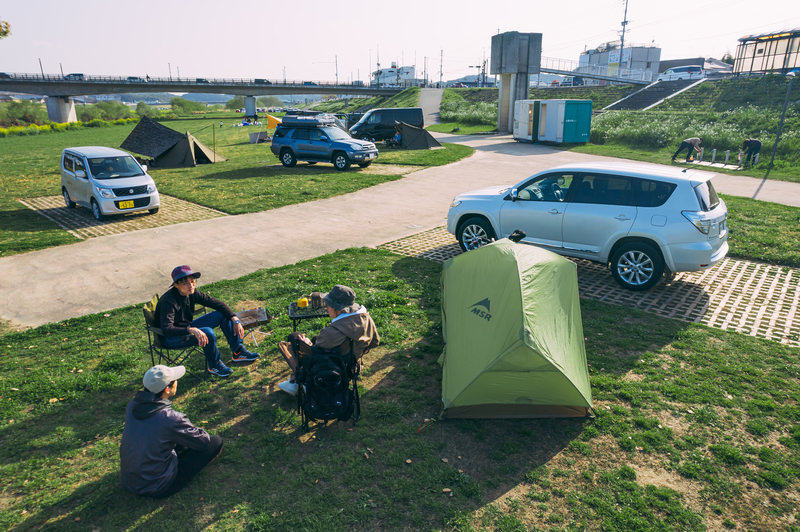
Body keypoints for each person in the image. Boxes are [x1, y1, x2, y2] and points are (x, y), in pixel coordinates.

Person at [119, 364, 223, 497]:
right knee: (215, 441)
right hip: (158, 485)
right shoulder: (170, 419)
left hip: (129, 481)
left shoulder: (132, 405)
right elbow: (203, 442)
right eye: (175, 381)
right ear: (167, 389)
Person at [156, 265, 259, 377]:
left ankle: (238, 351)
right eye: (185, 283)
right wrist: (191, 330)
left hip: (186, 327)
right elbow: (167, 329)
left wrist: (235, 319)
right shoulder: (169, 301)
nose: (190, 285)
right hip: (170, 338)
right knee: (207, 332)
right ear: (176, 285)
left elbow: (217, 303)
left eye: (192, 281)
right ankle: (214, 365)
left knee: (222, 314)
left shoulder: (191, 292)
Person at [278, 284, 380, 395]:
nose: (326, 307)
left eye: (328, 305)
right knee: (315, 338)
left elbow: (317, 352)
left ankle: (303, 381)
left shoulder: (332, 332)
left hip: (329, 367)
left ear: (338, 309)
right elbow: (375, 341)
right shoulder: (366, 319)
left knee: (294, 337)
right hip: (350, 364)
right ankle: (296, 382)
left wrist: (306, 343)